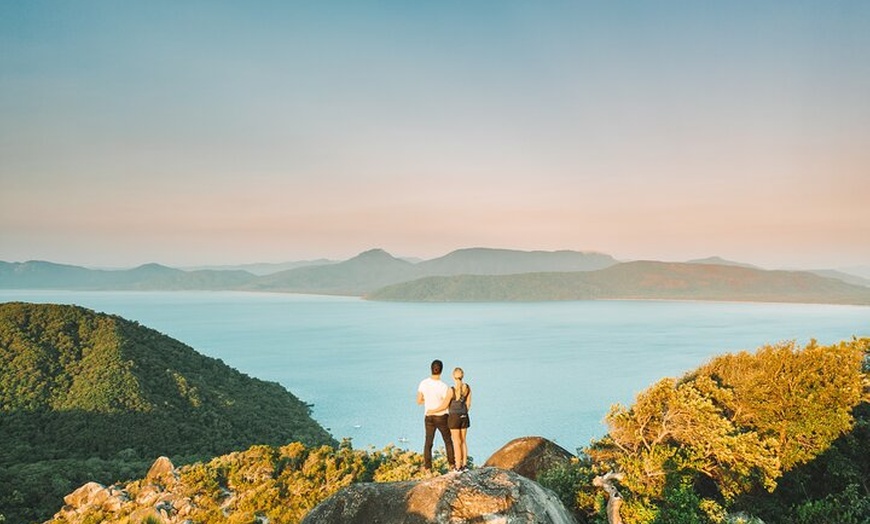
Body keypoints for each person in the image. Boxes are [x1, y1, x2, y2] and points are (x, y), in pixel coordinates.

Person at [427, 366, 472, 471]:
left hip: (454, 418)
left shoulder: (451, 390)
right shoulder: (468, 388)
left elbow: (444, 406)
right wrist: (463, 412)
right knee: (463, 441)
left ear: (453, 376)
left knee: (456, 442)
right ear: (463, 376)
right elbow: (468, 404)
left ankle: (458, 467)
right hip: (464, 416)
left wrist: (432, 411)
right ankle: (465, 465)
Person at [417, 359, 455, 471]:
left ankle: (427, 467)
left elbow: (419, 400)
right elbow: (445, 405)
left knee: (428, 442)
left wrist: (429, 403)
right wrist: (435, 409)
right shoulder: (444, 386)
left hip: (428, 417)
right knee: (448, 441)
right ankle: (452, 464)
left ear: (431, 369)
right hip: (442, 417)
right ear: (441, 370)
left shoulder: (423, 383)